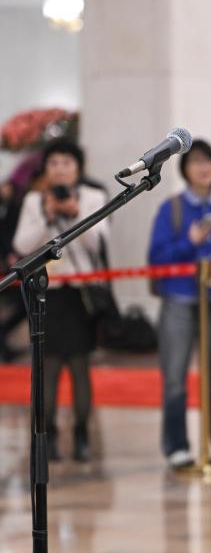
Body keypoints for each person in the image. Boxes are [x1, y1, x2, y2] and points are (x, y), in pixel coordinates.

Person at [148, 138, 211, 470]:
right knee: (175, 377)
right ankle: (176, 446)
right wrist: (187, 244)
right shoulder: (172, 208)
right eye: (196, 163)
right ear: (185, 170)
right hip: (179, 299)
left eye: (209, 162)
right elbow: (156, 258)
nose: (204, 168)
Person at [13, 138, 108, 461]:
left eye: (67, 163)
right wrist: (47, 214)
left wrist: (77, 214)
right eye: (54, 163)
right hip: (47, 294)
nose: (60, 169)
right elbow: (24, 247)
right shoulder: (33, 201)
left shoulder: (94, 197)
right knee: (47, 368)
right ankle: (48, 434)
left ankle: (81, 433)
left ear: (78, 168)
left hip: (81, 296)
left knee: (81, 367)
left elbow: (99, 245)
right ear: (47, 169)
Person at [0, 179, 25, 361]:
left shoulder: (15, 207)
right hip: (6, 262)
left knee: (23, 305)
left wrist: (9, 253)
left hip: (11, 264)